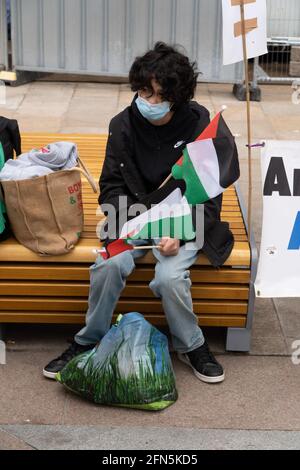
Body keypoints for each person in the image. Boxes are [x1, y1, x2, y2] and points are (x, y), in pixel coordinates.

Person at [43, 42, 235, 383]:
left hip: (182, 221)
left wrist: (180, 232)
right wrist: (126, 221)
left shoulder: (199, 124)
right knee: (108, 264)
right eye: (144, 91)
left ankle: (192, 345)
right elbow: (111, 186)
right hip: (133, 218)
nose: (148, 101)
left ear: (177, 97)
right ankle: (88, 340)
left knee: (169, 277)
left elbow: (209, 195)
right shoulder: (123, 124)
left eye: (158, 95)